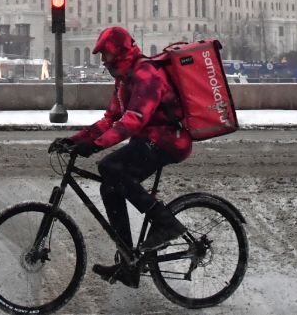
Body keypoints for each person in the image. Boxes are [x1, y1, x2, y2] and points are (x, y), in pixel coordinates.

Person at [49, 25, 191, 287]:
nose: (103, 62)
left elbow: (134, 120)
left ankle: (166, 224)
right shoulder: (124, 80)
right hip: (148, 140)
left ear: (120, 52)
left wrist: (96, 146)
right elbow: (110, 119)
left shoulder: (147, 74)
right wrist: (75, 140)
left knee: (110, 166)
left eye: (106, 55)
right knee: (110, 189)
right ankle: (129, 264)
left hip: (168, 141)